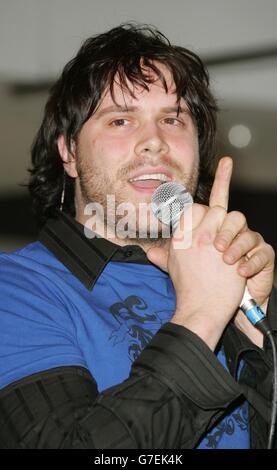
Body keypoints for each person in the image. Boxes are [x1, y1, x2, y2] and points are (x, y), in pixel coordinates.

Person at [0, 23, 276, 450]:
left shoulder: (225, 282)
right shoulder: (16, 289)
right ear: (68, 153)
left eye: (172, 119)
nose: (154, 142)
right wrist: (202, 317)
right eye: (121, 120)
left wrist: (258, 335)